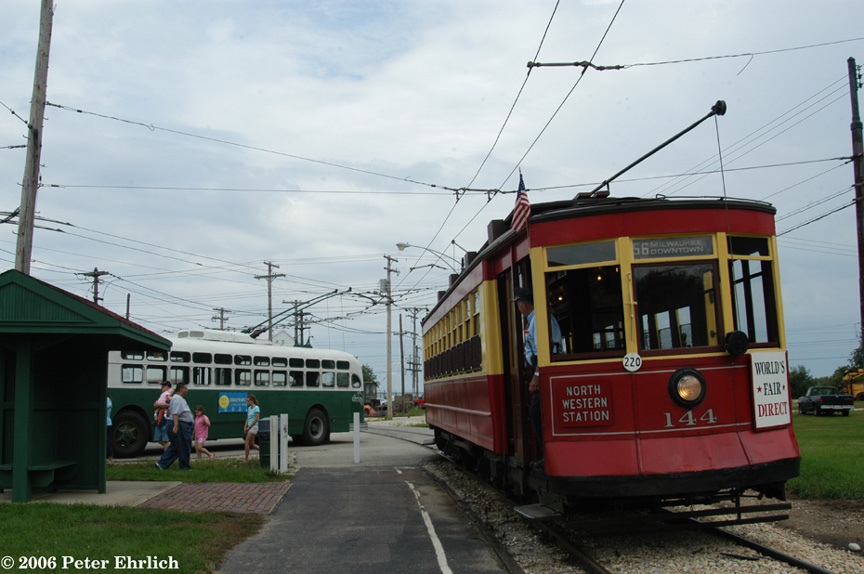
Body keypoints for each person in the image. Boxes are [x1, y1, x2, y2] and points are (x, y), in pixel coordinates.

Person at [514, 287, 562, 471]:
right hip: (539, 367)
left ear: (524, 304)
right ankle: (546, 454)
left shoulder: (539, 321)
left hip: (543, 369)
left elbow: (546, 350)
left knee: (537, 412)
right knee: (538, 411)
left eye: (518, 304)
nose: (518, 307)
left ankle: (547, 454)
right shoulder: (532, 321)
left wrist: (537, 375)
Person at [155, 383, 194, 470]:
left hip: (182, 425)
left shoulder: (178, 399)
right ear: (181, 389)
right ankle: (184, 466)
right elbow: (175, 413)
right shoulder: (177, 399)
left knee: (176, 447)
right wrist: (176, 426)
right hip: (180, 425)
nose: (187, 390)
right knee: (183, 446)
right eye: (185, 388)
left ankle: (162, 464)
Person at [153, 381, 173, 451]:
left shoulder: (169, 395)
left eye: (163, 387)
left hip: (165, 421)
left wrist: (158, 405)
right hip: (159, 421)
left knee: (165, 440)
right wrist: (157, 405)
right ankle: (169, 449)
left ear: (167, 387)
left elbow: (168, 404)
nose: (161, 388)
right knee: (158, 439)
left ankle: (166, 454)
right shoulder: (162, 396)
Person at [244, 394, 260, 463]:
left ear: (252, 401)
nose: (247, 403)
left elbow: (256, 419)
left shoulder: (256, 408)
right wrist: (245, 426)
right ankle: (263, 451)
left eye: (248, 401)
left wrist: (249, 427)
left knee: (246, 442)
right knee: (252, 444)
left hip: (254, 427)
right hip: (249, 427)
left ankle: (246, 459)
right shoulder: (249, 408)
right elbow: (248, 418)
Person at [106, 393, 114, 465]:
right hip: (105, 423)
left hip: (107, 424)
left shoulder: (107, 400)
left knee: (108, 441)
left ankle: (110, 458)